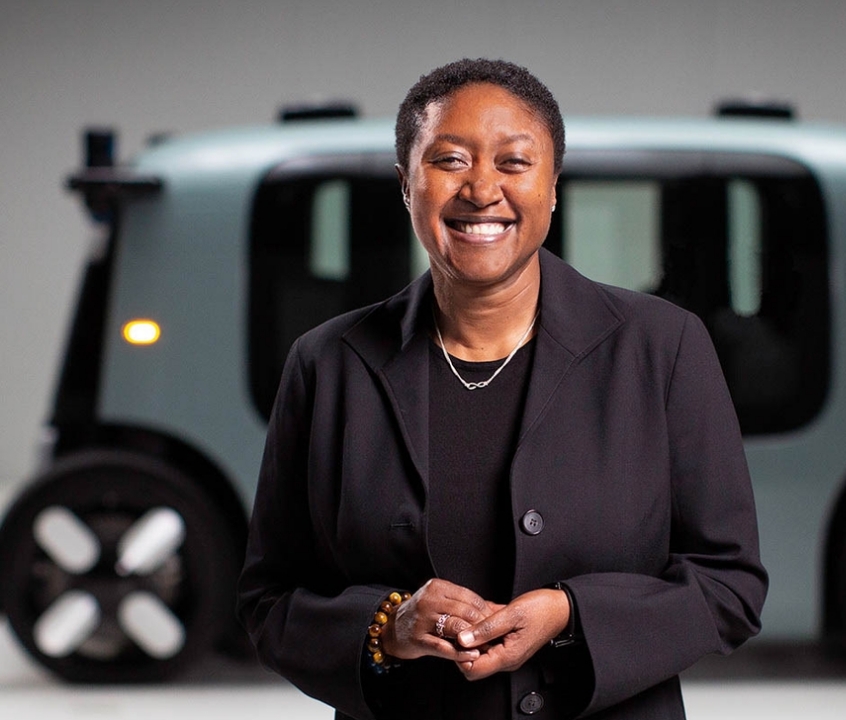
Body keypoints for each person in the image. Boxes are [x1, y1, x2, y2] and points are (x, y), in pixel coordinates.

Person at [237, 57, 767, 720]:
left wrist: (572, 615)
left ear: (552, 187)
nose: (482, 189)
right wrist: (387, 627)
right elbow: (268, 601)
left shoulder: (663, 347)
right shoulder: (326, 365)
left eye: (514, 163)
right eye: (450, 160)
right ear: (407, 186)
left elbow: (730, 587)